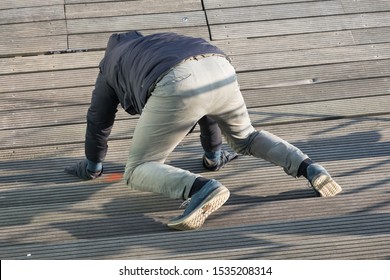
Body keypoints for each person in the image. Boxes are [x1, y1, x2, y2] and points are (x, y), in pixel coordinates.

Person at [65, 31, 342, 231]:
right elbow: (207, 109)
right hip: (219, 66)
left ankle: (201, 188)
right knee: (246, 137)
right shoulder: (157, 41)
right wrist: (212, 156)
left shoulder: (110, 63)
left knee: (138, 169)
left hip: (177, 80)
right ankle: (310, 168)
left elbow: (98, 120)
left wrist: (93, 166)